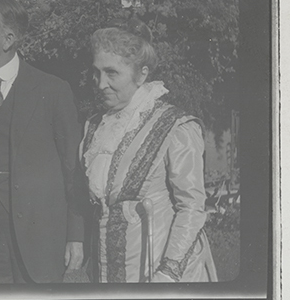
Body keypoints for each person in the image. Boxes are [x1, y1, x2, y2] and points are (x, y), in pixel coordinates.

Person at [0, 0, 85, 283]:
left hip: (38, 236)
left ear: (8, 38)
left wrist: (76, 234)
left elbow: (73, 168)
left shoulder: (52, 91)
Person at [80, 20, 218, 283]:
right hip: (107, 274)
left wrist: (169, 271)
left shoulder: (175, 127)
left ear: (141, 74)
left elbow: (191, 206)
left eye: (112, 73)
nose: (100, 84)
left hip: (157, 272)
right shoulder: (95, 126)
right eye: (96, 73)